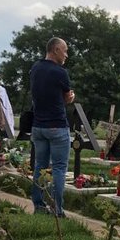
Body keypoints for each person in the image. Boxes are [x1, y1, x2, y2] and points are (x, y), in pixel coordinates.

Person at [29, 37, 75, 216]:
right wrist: (71, 98)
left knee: (40, 166)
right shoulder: (60, 72)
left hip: (38, 126)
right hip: (57, 125)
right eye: (65, 50)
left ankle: (39, 206)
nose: (66, 55)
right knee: (58, 168)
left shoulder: (35, 68)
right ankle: (57, 209)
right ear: (55, 50)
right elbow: (66, 98)